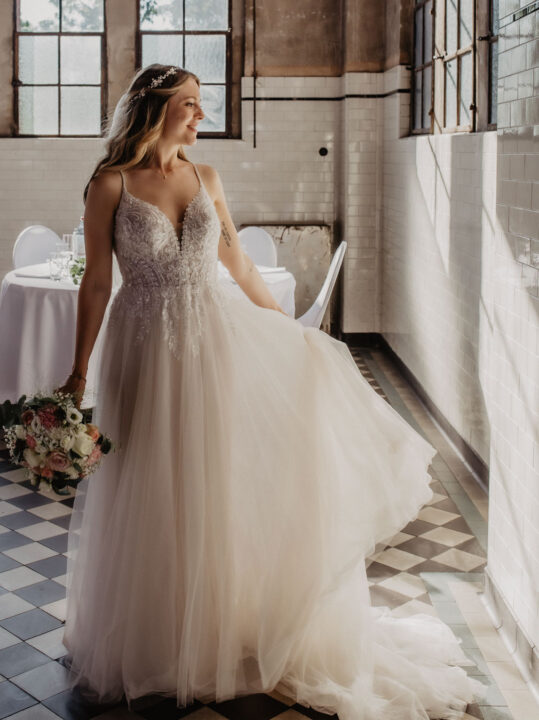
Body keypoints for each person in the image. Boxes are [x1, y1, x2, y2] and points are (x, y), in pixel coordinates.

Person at [61, 64, 482, 720]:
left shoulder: (206, 179)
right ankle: (157, 633)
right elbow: (94, 283)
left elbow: (237, 262)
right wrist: (77, 373)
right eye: (189, 105)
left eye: (201, 105)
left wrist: (291, 334)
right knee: (149, 482)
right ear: (153, 109)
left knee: (216, 480)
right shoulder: (110, 183)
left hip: (212, 341)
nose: (201, 116)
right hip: (140, 348)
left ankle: (220, 624)